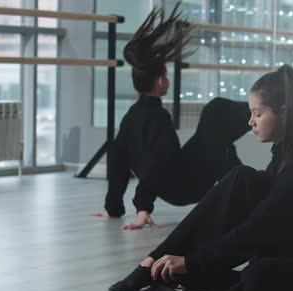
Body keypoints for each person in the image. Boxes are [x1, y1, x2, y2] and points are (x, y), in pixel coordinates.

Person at [108, 65, 293, 291]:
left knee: (258, 277)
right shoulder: (284, 154)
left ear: (283, 113)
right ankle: (154, 261)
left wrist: (192, 263)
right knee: (241, 177)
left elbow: (256, 231)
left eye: (258, 114)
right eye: (251, 113)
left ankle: (181, 271)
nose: (250, 122)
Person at [90, 4, 251, 229]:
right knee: (216, 112)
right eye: (165, 75)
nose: (167, 79)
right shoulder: (158, 118)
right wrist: (143, 207)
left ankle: (246, 196)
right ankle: (266, 109)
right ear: (160, 81)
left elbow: (118, 161)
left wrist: (113, 208)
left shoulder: (130, 117)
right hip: (183, 185)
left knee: (222, 144)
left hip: (176, 182)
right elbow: (159, 164)